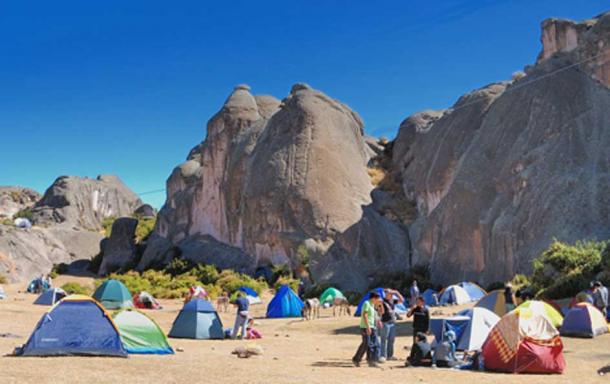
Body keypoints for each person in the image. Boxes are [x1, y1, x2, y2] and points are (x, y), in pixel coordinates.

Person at [352, 291, 382, 368]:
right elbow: (364, 315)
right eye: (378, 299)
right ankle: (356, 359)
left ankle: (372, 361)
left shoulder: (373, 305)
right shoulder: (366, 303)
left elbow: (378, 314)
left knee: (373, 344)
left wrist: (378, 320)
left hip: (373, 327)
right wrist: (368, 327)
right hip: (365, 327)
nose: (378, 300)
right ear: (373, 298)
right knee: (366, 344)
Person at [379, 289, 403, 362]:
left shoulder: (392, 301)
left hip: (392, 323)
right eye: (389, 293)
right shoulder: (382, 301)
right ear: (385, 294)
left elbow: (402, 300)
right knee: (383, 340)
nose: (391, 295)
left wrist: (396, 292)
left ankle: (390, 355)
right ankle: (382, 355)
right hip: (385, 322)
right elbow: (379, 311)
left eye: (391, 294)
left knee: (391, 340)